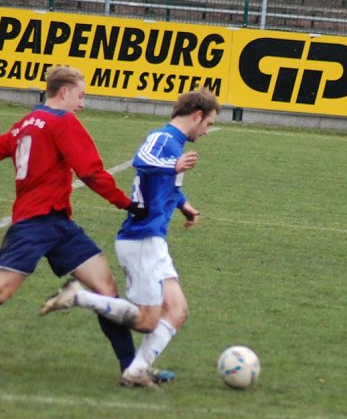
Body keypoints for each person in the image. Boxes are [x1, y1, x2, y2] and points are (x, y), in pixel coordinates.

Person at [0, 65, 169, 384]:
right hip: (33, 225)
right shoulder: (62, 121)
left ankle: (130, 369)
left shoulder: (24, 125)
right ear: (64, 92)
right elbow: (90, 171)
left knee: (106, 289)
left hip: (59, 225)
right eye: (80, 96)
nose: (82, 104)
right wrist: (127, 204)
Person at [40, 88, 220, 388]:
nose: (206, 131)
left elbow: (164, 185)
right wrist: (172, 166)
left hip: (154, 240)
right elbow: (142, 160)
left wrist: (183, 204)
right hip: (140, 239)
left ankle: (136, 370)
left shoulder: (174, 142)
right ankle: (77, 296)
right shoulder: (163, 138)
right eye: (208, 124)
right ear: (197, 116)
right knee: (148, 320)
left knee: (177, 311)